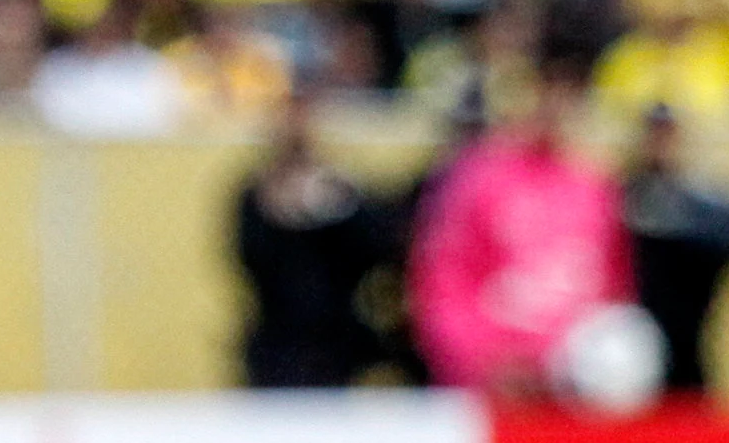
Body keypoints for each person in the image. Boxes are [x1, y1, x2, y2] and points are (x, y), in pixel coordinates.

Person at [409, 63, 628, 397]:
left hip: (574, 391)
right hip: (490, 389)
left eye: (567, 94)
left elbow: (612, 290)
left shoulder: (595, 186)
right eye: (543, 92)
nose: (554, 107)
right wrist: (481, 362)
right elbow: (442, 286)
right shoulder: (475, 180)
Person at [234, 91, 407, 388]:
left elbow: (378, 247)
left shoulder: (340, 186)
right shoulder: (255, 194)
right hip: (278, 341)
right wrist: (278, 210)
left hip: (337, 339)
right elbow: (248, 259)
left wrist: (338, 205)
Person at [617, 101, 729, 399]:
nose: (660, 145)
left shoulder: (704, 205)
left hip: (687, 351)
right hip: (629, 355)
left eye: (668, 135)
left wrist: (675, 215)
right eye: (654, 135)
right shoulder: (622, 196)